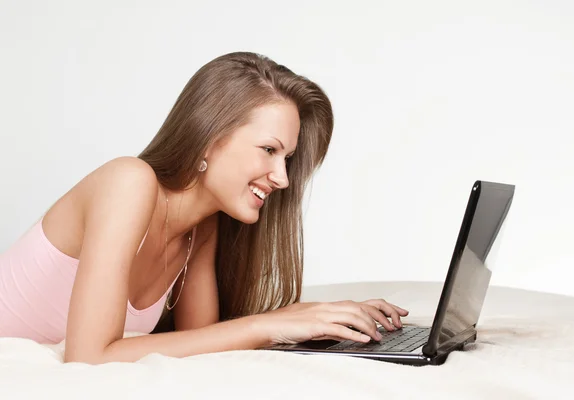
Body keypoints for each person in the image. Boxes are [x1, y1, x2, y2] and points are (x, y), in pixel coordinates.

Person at [0, 52, 408, 364]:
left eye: (286, 158)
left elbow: (202, 345)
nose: (282, 178)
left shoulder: (202, 227)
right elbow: (88, 359)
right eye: (269, 150)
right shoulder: (129, 181)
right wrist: (269, 325)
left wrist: (309, 316)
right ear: (209, 138)